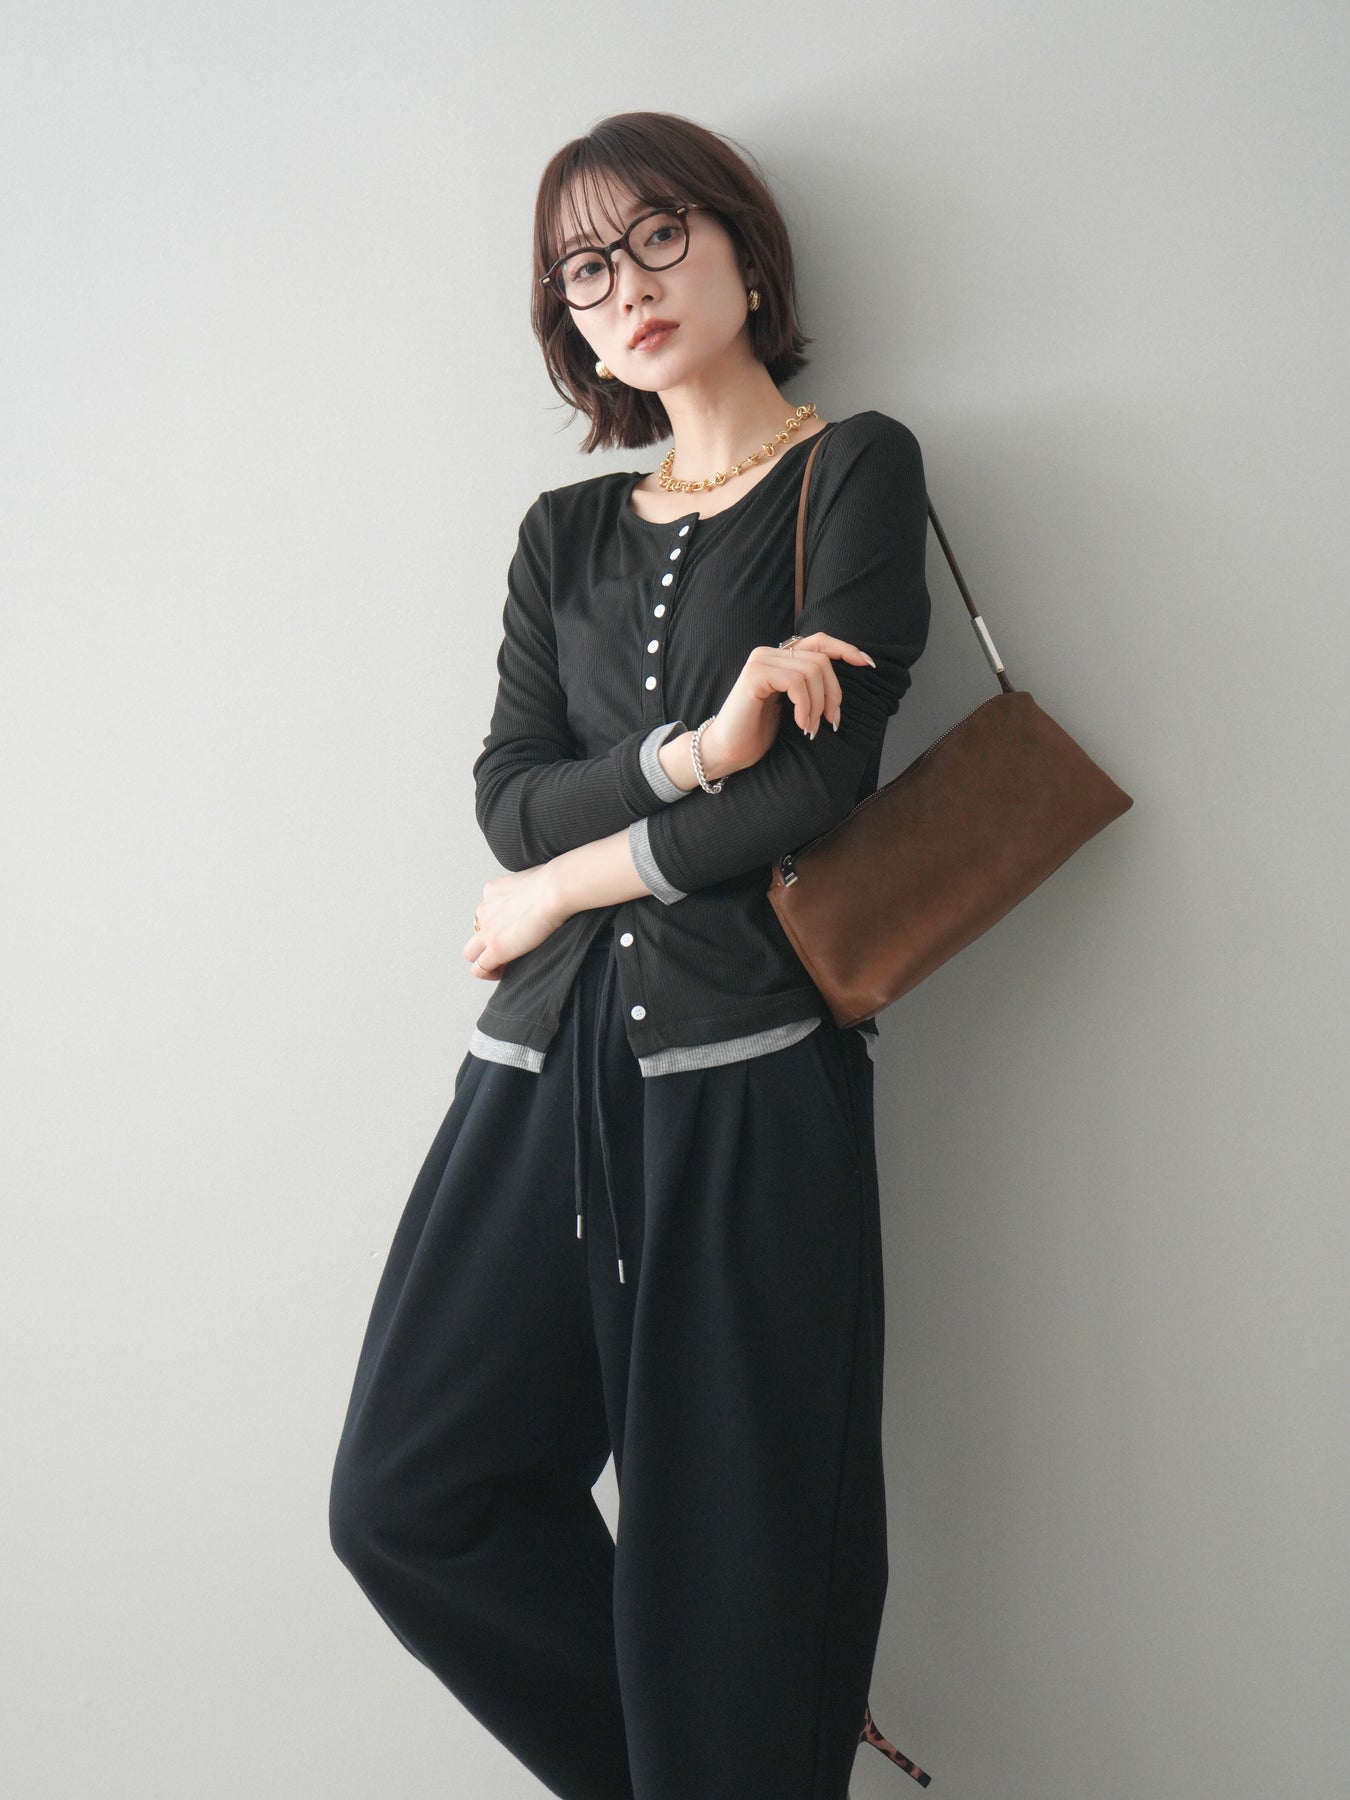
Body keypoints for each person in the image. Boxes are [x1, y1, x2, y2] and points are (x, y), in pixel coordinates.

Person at [329, 110, 934, 1799]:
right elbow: (506, 801)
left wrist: (558, 892)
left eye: (661, 235)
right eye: (584, 269)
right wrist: (691, 754)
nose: (629, 286)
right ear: (567, 322)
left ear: (743, 248)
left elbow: (814, 787)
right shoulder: (562, 532)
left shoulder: (853, 467)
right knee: (408, 1499)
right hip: (537, 1070)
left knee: (734, 1543)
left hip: (749, 1073)